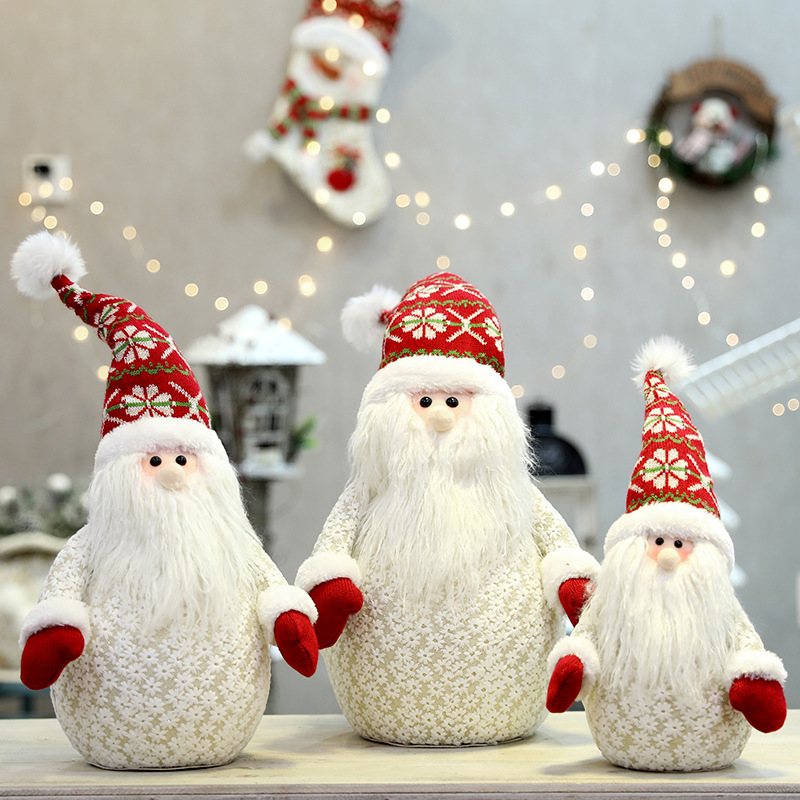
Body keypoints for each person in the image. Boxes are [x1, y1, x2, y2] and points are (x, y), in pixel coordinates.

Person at [12, 231, 318, 770]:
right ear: (117, 473)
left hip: (223, 733)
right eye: (154, 461)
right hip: (108, 737)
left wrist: (285, 616)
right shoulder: (96, 545)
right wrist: (57, 629)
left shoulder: (229, 543)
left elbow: (266, 581)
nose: (173, 473)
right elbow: (65, 587)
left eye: (183, 458)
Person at [296, 272, 599, 745]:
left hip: (507, 699)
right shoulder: (375, 484)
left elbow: (554, 535)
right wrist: (330, 584)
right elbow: (338, 534)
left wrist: (572, 581)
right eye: (424, 400)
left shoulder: (509, 488)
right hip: (383, 702)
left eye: (454, 400)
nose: (439, 414)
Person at [546, 336, 787, 772]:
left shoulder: (717, 606)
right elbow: (588, 636)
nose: (669, 556)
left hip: (713, 745)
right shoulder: (614, 601)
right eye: (658, 542)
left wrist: (752, 680)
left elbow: (743, 641)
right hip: (621, 742)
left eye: (679, 544)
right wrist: (576, 664)